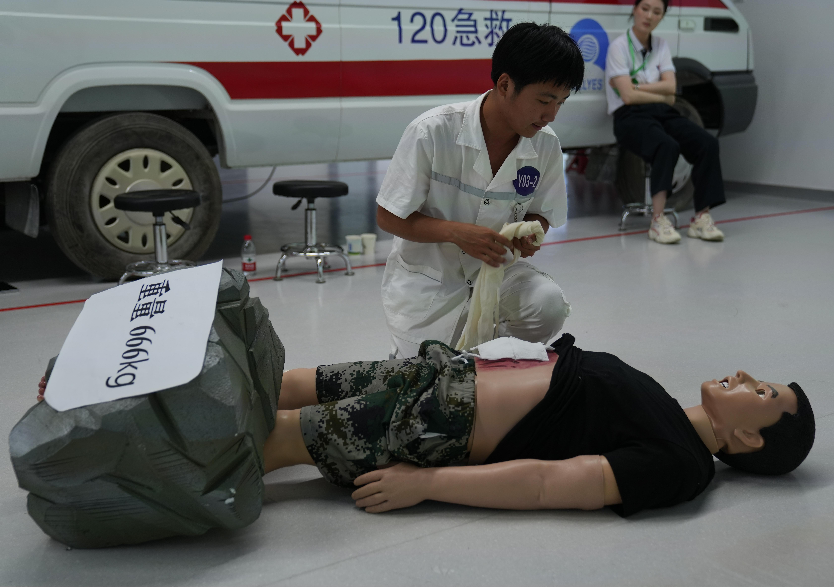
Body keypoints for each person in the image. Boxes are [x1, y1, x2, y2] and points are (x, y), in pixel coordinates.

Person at [39, 334, 814, 516]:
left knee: (270, 437)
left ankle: (91, 453)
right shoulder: (666, 404)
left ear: (750, 438)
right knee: (278, 381)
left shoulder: (680, 465)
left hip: (439, 422)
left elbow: (555, 482)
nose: (747, 376)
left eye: (764, 392)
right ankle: (100, 390)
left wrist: (429, 483)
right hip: (439, 374)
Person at [375, 23, 585, 358]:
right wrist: (455, 233)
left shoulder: (545, 145)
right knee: (429, 373)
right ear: (505, 85)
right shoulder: (432, 132)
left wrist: (532, 233)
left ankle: (493, 357)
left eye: (561, 102)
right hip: (431, 282)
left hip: (499, 274)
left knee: (547, 304)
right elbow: (388, 217)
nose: (551, 115)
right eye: (544, 100)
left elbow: (541, 213)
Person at [605, 0, 727, 245]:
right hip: (630, 116)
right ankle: (658, 221)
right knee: (666, 145)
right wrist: (657, 92)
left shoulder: (661, 45)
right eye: (645, 8)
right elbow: (627, 97)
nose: (649, 15)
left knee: (707, 143)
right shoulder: (618, 47)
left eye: (657, 12)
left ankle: (701, 218)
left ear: (662, 16)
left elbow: (671, 89)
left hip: (662, 112)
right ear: (635, 9)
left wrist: (638, 87)